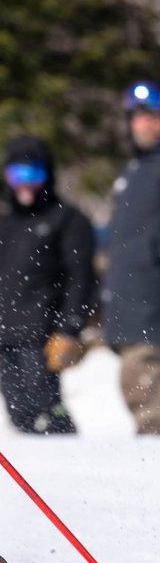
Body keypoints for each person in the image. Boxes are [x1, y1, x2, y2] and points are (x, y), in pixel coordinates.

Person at [0, 135, 96, 434]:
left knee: (48, 413)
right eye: (16, 175)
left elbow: (81, 278)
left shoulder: (68, 219)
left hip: (44, 339)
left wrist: (69, 329)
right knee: (19, 416)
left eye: (33, 174)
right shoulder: (3, 224)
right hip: (5, 335)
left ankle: (71, 461)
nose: (25, 184)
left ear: (47, 175)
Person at [103, 82, 160, 434]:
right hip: (131, 309)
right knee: (140, 400)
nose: (142, 123)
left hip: (152, 312)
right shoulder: (134, 171)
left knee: (152, 413)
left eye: (151, 115)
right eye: (135, 117)